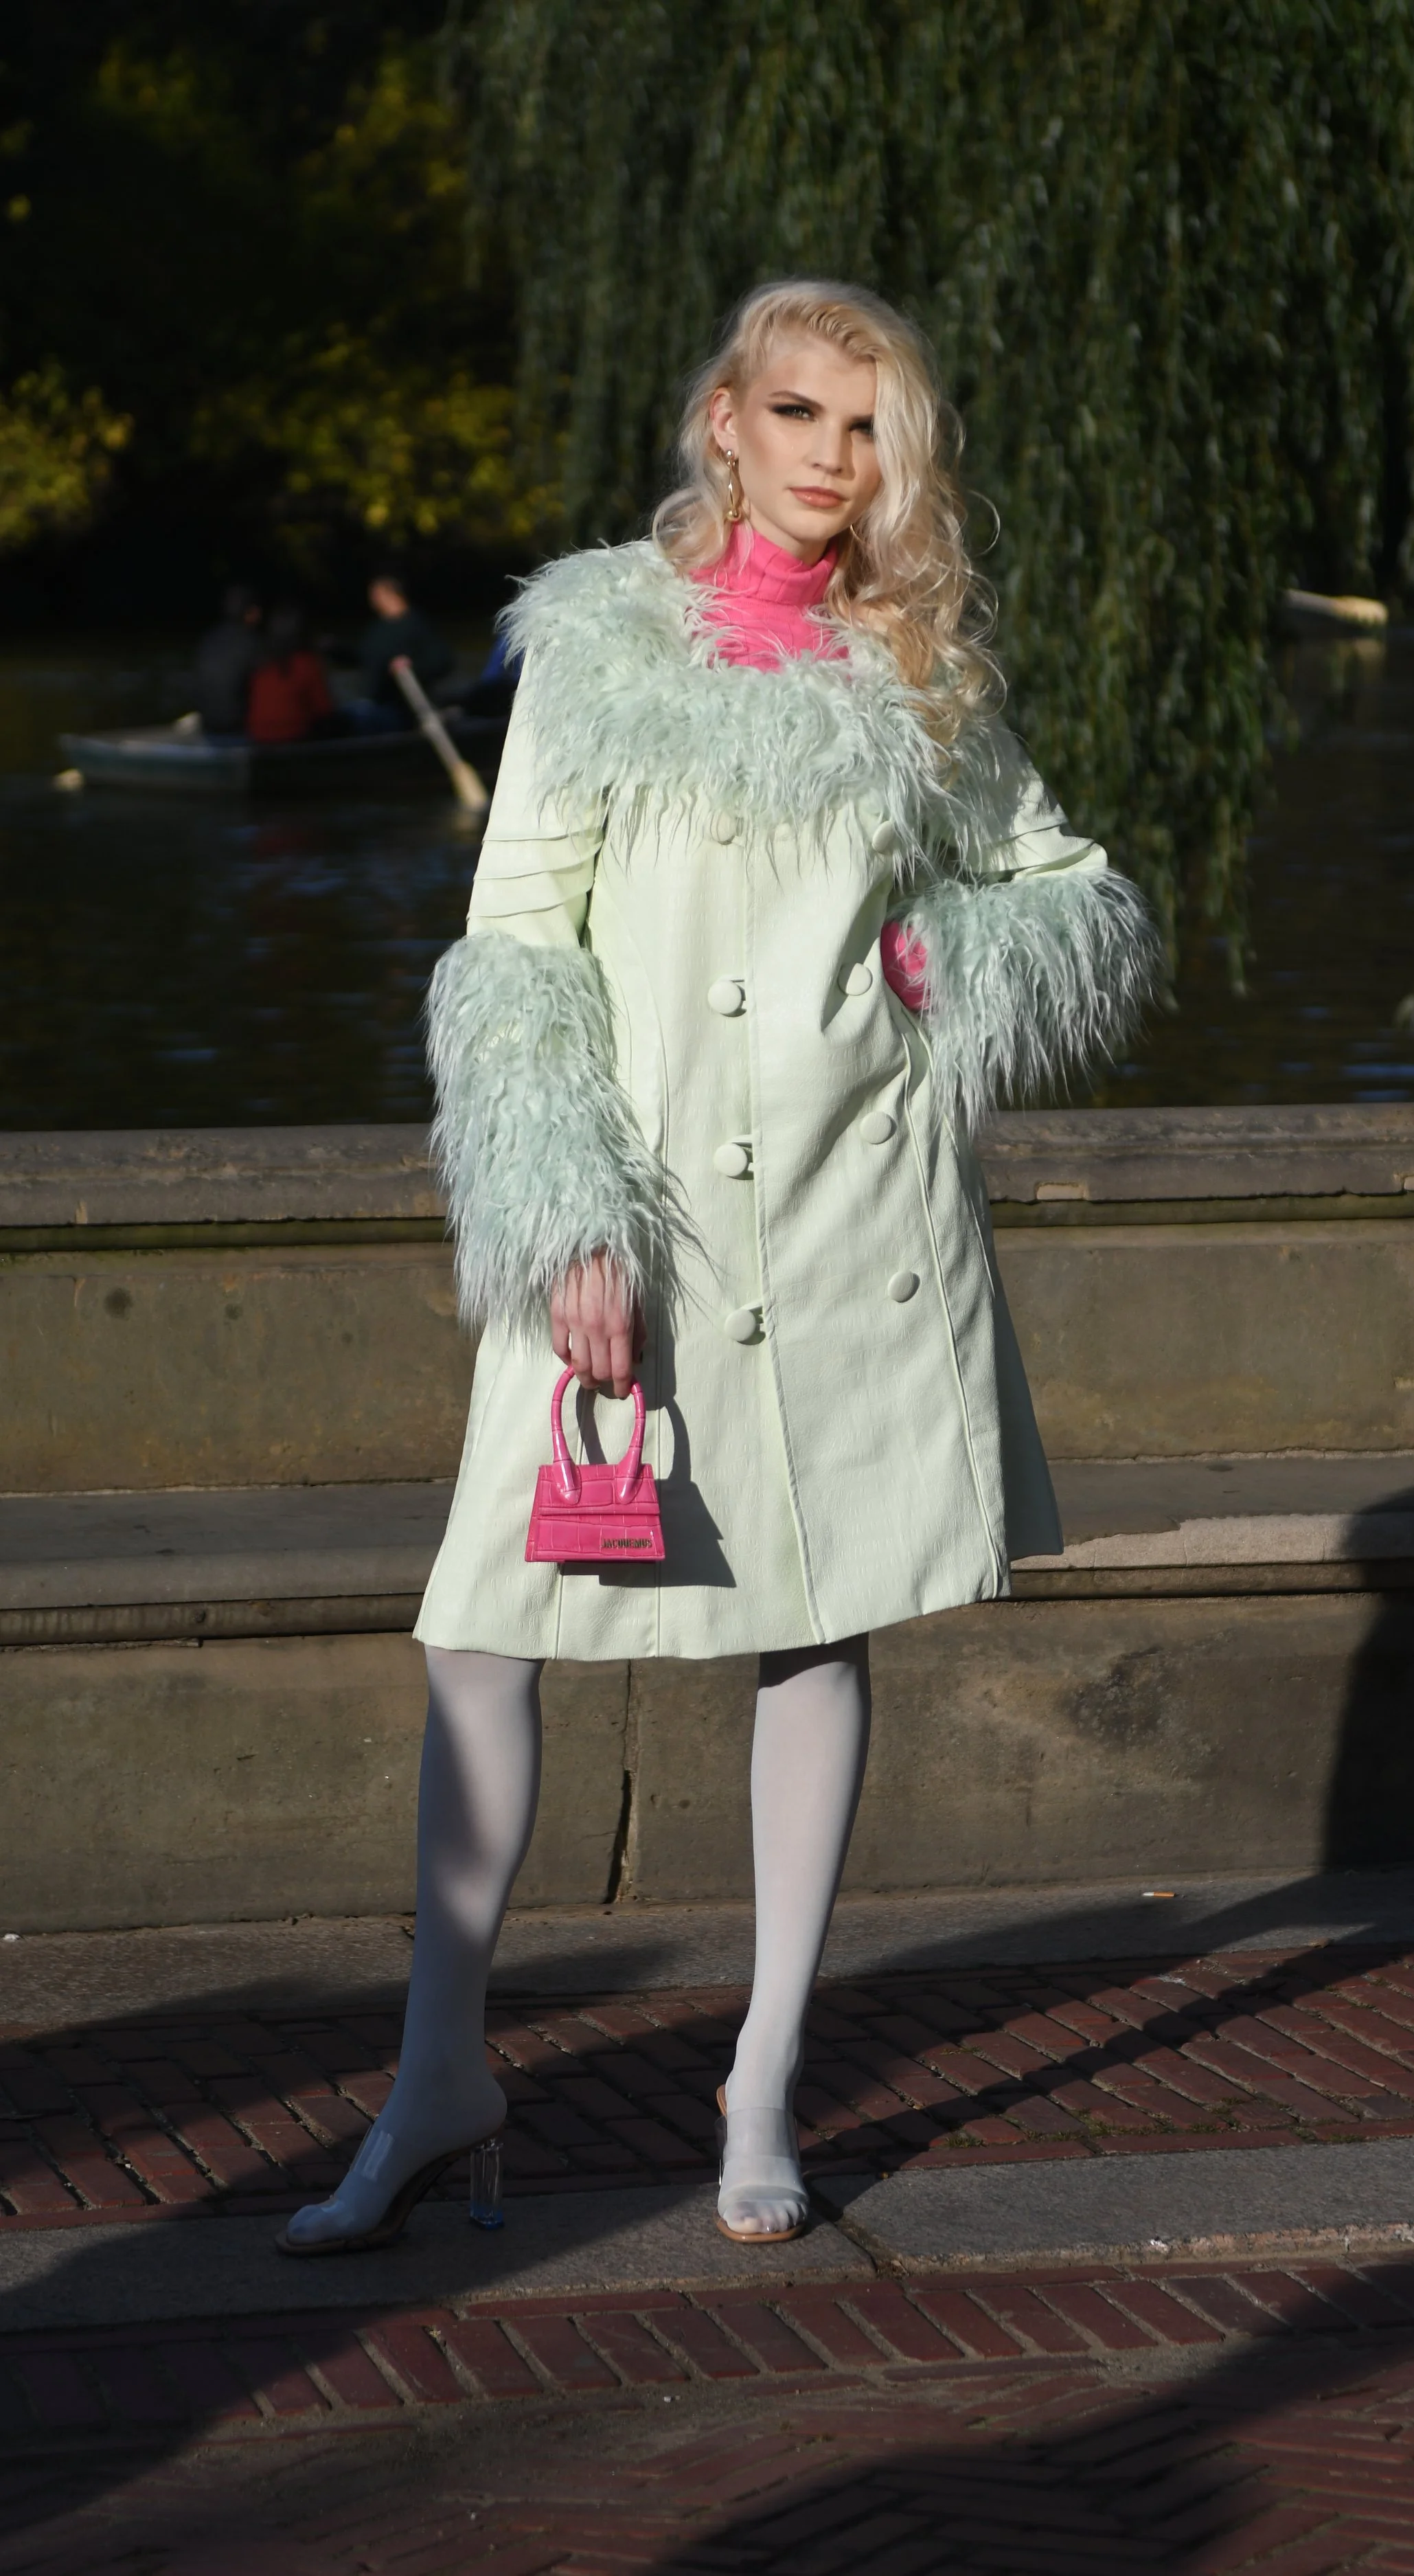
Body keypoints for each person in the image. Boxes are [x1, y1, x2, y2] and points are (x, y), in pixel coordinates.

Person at [278, 278, 1154, 2259]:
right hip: (636, 1207)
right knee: (481, 1630)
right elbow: (515, 937)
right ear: (723, 424)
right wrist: (562, 1207)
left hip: (850, 1199)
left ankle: (761, 2073)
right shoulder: (598, 645)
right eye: (797, 413)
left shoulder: (920, 670)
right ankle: (439, 2070)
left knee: (814, 1614)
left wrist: (952, 965)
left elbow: (1065, 882)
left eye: (867, 426)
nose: (832, 458)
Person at [349, 569, 454, 732]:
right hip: (375, 701)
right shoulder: (377, 629)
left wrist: (411, 666)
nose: (372, 599)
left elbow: (443, 661)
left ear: (391, 593)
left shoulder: (416, 624)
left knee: (363, 718)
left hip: (405, 707)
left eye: (376, 594)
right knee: (352, 714)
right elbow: (363, 657)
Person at [245, 605, 334, 746]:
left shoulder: (260, 662)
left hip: (259, 739)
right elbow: (324, 709)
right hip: (295, 737)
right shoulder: (305, 663)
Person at [192, 583, 262, 740]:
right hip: (238, 729)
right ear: (251, 613)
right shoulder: (253, 644)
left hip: (209, 726)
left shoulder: (209, 640)